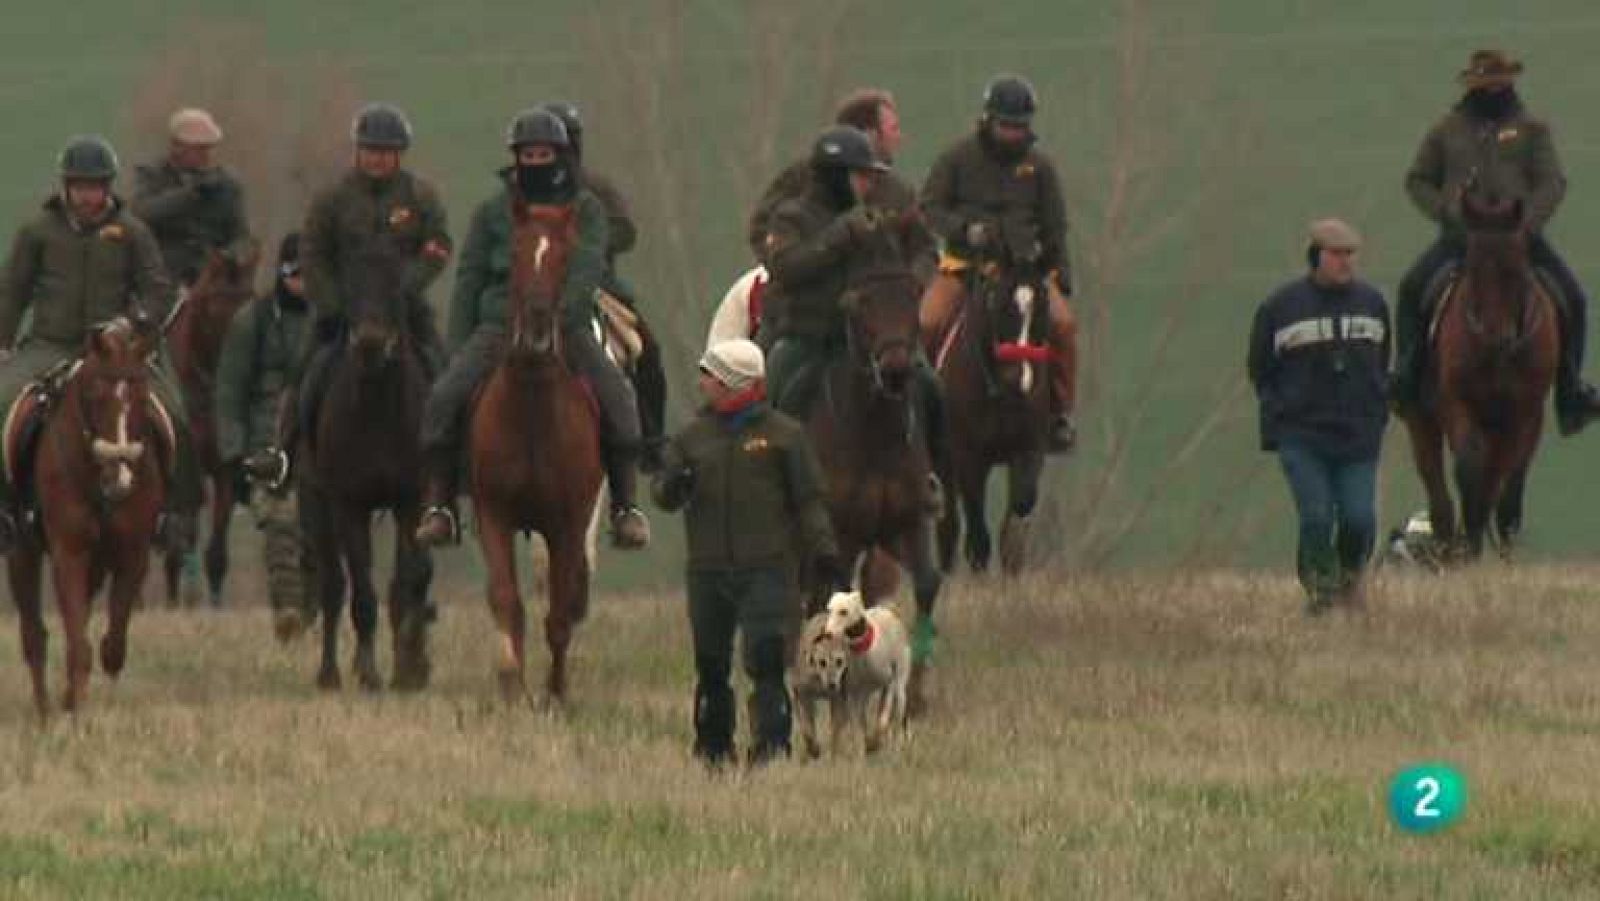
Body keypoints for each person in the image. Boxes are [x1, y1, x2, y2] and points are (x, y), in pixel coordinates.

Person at [413, 108, 651, 549]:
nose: (537, 161)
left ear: (561, 154)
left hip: (568, 323)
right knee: (444, 397)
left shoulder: (587, 207)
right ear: (516, 156)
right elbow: (469, 274)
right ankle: (441, 505)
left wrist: (566, 315)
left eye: (545, 153)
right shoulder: (491, 212)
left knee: (619, 396)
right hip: (499, 323)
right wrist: (459, 340)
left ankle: (625, 506)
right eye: (529, 153)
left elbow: (589, 263)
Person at [652, 338, 843, 767]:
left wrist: (826, 553)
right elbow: (663, 494)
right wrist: (671, 485)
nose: (703, 384)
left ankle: (772, 747)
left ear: (736, 382)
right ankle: (714, 748)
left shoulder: (785, 436)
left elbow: (808, 502)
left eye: (711, 376)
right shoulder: (690, 438)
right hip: (708, 570)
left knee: (766, 658)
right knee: (712, 663)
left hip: (767, 568)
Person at [1393, 49, 1600, 434]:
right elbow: (1418, 179)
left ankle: (1571, 391)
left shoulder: (1533, 130)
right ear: (1472, 84)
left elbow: (1551, 182)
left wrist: (1527, 223)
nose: (1493, 89)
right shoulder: (1446, 130)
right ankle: (1407, 373)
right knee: (1411, 288)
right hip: (1461, 240)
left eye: (1499, 82)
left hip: (1520, 242)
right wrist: (1448, 212)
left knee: (1572, 297)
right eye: (1485, 83)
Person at [243, 103, 451, 486]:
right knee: (308, 370)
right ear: (358, 151)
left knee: (440, 368)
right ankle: (283, 451)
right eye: (370, 150)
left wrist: (411, 286)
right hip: (344, 309)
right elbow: (312, 251)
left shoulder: (419, 196)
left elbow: (438, 246)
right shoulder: (333, 199)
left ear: (398, 155)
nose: (376, 159)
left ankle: (451, 463)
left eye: (385, 152)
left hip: (403, 309)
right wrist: (331, 301)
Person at [0, 136, 190, 551]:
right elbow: (12, 291)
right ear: (66, 187)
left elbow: (159, 290)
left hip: (116, 353)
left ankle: (173, 514)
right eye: (81, 186)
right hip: (49, 345)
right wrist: (3, 342)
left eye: (96, 186)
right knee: (0, 402)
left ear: (109, 187)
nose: (88, 196)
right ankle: (5, 510)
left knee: (174, 412)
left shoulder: (133, 233)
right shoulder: (37, 232)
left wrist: (133, 323)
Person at [760, 125, 947, 511]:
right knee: (777, 390)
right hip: (810, 335)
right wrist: (837, 237)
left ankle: (931, 475)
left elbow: (927, 248)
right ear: (835, 176)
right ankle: (772, 489)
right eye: (861, 175)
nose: (869, 183)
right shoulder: (791, 217)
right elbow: (786, 268)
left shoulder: (884, 212)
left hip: (873, 340)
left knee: (929, 387)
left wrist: (915, 280)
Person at [920, 74, 1078, 451]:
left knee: (1065, 326)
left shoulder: (1040, 169)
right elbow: (930, 207)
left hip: (1025, 273)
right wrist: (964, 230)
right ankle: (921, 412)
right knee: (926, 322)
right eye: (1006, 125)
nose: (1012, 134)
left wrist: (1060, 273)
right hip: (965, 267)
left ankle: (1058, 413)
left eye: (1019, 127)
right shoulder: (956, 158)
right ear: (989, 120)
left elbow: (1054, 225)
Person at [1248, 219, 1390, 615]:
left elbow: (1382, 360)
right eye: (1336, 254)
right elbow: (1260, 367)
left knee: (1359, 520)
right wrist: (1280, 414)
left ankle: (1348, 582)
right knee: (1315, 515)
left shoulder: (1373, 303)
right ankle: (1321, 593)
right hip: (1302, 436)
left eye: (1350, 255)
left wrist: (1377, 408)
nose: (1345, 263)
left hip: (1358, 436)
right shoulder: (1281, 307)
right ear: (1315, 256)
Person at [540, 100, 670, 471]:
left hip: (600, 289)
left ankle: (651, 441)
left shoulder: (596, 188)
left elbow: (625, 230)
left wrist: (587, 244)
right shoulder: (521, 192)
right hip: (532, 291)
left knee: (647, 351)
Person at [215, 233, 317, 640]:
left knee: (320, 539)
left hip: (320, 442)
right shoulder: (251, 321)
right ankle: (288, 613)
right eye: (294, 273)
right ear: (281, 273)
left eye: (309, 274)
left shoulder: (334, 322)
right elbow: (229, 390)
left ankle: (312, 612)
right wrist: (234, 453)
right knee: (280, 527)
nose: (301, 282)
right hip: (265, 445)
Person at [746, 87, 932, 299]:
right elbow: (769, 240)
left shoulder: (899, 192)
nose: (899, 137)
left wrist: (911, 285)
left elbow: (922, 248)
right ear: (870, 134)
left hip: (876, 314)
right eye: (893, 129)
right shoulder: (798, 184)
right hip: (804, 313)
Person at [130, 108, 253, 289]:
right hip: (163, 275)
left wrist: (230, 257)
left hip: (210, 278)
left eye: (208, 148)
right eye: (199, 149)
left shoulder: (227, 184)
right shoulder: (152, 175)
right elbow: (141, 212)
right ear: (177, 147)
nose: (206, 155)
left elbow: (242, 236)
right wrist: (189, 194)